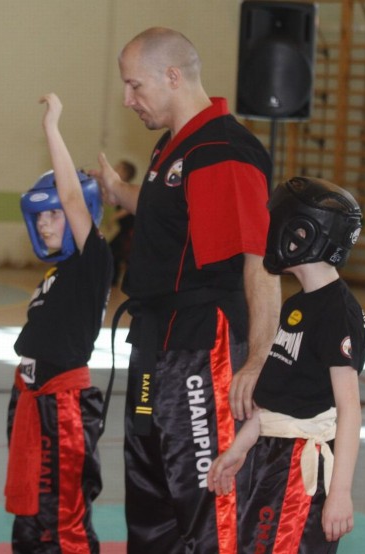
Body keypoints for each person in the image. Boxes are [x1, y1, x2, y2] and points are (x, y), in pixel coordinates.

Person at [90, 27, 281, 553]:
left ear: (172, 76)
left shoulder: (223, 152)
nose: (127, 99)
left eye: (135, 86)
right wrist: (117, 191)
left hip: (203, 351)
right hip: (157, 344)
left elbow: (260, 263)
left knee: (206, 502)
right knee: (151, 500)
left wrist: (258, 359)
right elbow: (168, 208)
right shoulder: (174, 147)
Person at [207, 176, 365, 553]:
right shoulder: (297, 307)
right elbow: (276, 400)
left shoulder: (337, 313)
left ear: (302, 234)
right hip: (271, 459)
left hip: (300, 468)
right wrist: (239, 448)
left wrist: (340, 492)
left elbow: (349, 410)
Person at [4, 93, 112, 554]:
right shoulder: (55, 275)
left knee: (62, 519)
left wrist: (52, 126)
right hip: (31, 399)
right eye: (41, 216)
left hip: (62, 405)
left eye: (55, 214)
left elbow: (71, 196)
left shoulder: (93, 263)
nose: (46, 224)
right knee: (31, 517)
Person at [108, 159, 137, 287]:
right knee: (114, 251)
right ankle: (113, 280)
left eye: (118, 168)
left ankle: (116, 280)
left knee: (120, 253)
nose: (114, 168)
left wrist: (113, 217)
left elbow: (128, 208)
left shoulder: (126, 188)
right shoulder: (118, 187)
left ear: (125, 174)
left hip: (131, 230)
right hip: (124, 230)